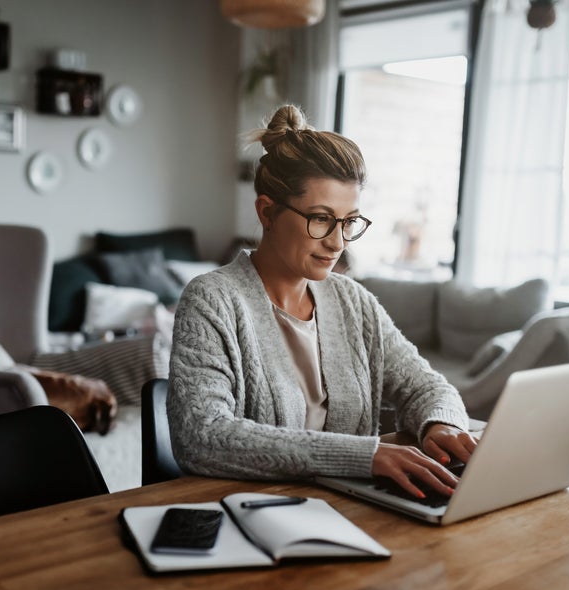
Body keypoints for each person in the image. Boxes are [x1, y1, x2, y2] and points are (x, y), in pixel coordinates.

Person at [166, 105, 478, 499]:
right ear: (267, 212)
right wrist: (366, 456)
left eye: (349, 221)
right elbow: (203, 436)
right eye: (321, 219)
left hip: (352, 508)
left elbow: (426, 387)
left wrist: (441, 424)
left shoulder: (353, 301)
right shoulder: (213, 301)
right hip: (253, 514)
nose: (337, 242)